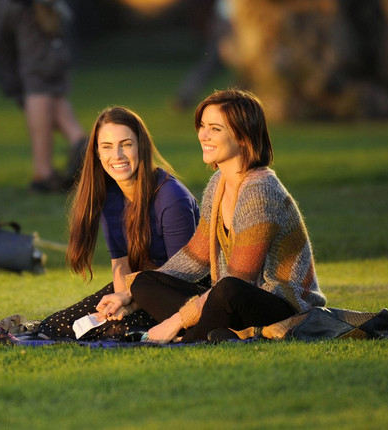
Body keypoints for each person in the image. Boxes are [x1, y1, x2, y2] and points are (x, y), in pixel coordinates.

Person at [97, 89, 327, 343]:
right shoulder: (219, 183)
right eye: (203, 126)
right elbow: (195, 256)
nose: (203, 135)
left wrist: (175, 321)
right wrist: (129, 294)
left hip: (283, 305)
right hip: (230, 300)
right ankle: (214, 334)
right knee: (144, 282)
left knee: (227, 289)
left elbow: (241, 279)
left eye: (215, 129)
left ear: (243, 136)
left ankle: (189, 339)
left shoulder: (260, 190)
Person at [35, 106, 203, 340]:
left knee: (114, 330)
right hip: (135, 290)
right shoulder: (111, 195)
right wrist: (119, 302)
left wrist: (129, 303)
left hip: (180, 297)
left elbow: (181, 274)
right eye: (107, 146)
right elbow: (121, 263)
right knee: (54, 327)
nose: (117, 155)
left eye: (126, 144)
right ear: (97, 152)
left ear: (141, 147)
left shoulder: (172, 197)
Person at [0, 0, 87, 193]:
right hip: (27, 6)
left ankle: (78, 143)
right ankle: (47, 170)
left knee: (25, 82)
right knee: (40, 79)